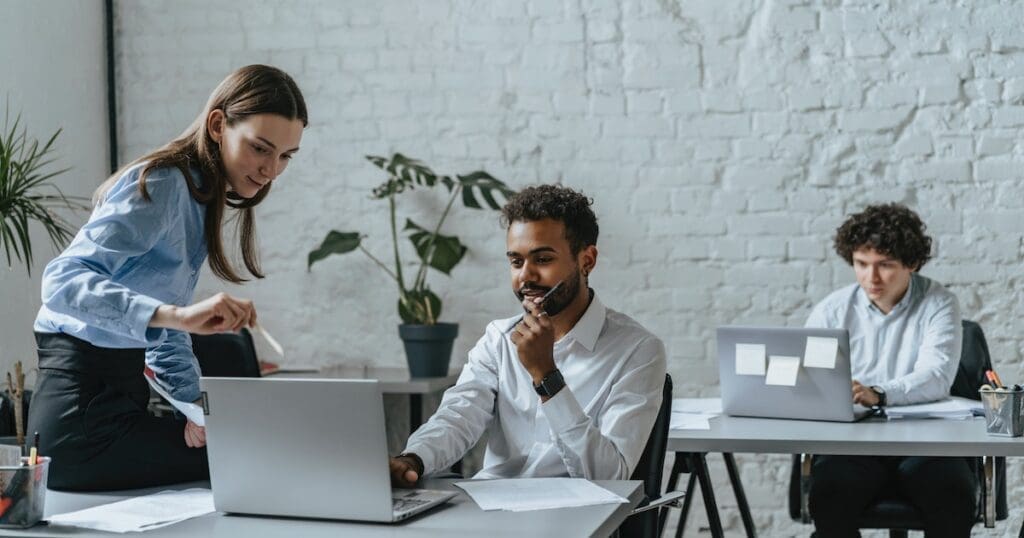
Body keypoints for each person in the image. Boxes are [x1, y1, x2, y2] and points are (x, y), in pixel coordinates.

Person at [28, 64, 308, 491]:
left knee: (246, 450)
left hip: (116, 408)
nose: (272, 169)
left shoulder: (196, 197)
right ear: (218, 125)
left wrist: (199, 412)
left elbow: (164, 335)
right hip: (79, 421)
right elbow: (62, 281)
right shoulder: (164, 184)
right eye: (260, 148)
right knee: (253, 458)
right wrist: (176, 314)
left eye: (285, 156)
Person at [389, 185, 666, 487]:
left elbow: (610, 476)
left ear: (587, 261)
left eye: (543, 260)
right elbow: (458, 417)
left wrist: (546, 376)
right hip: (492, 509)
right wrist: (413, 458)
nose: (525, 276)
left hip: (579, 519)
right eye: (516, 261)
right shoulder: (498, 339)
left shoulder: (638, 350)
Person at [805, 203, 976, 537]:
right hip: (853, 446)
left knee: (952, 496)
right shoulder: (832, 310)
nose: (872, 277)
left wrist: (879, 393)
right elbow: (809, 378)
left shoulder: (938, 303)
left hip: (927, 445)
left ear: (911, 264)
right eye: (861, 264)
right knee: (829, 496)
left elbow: (937, 376)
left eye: (885, 265)